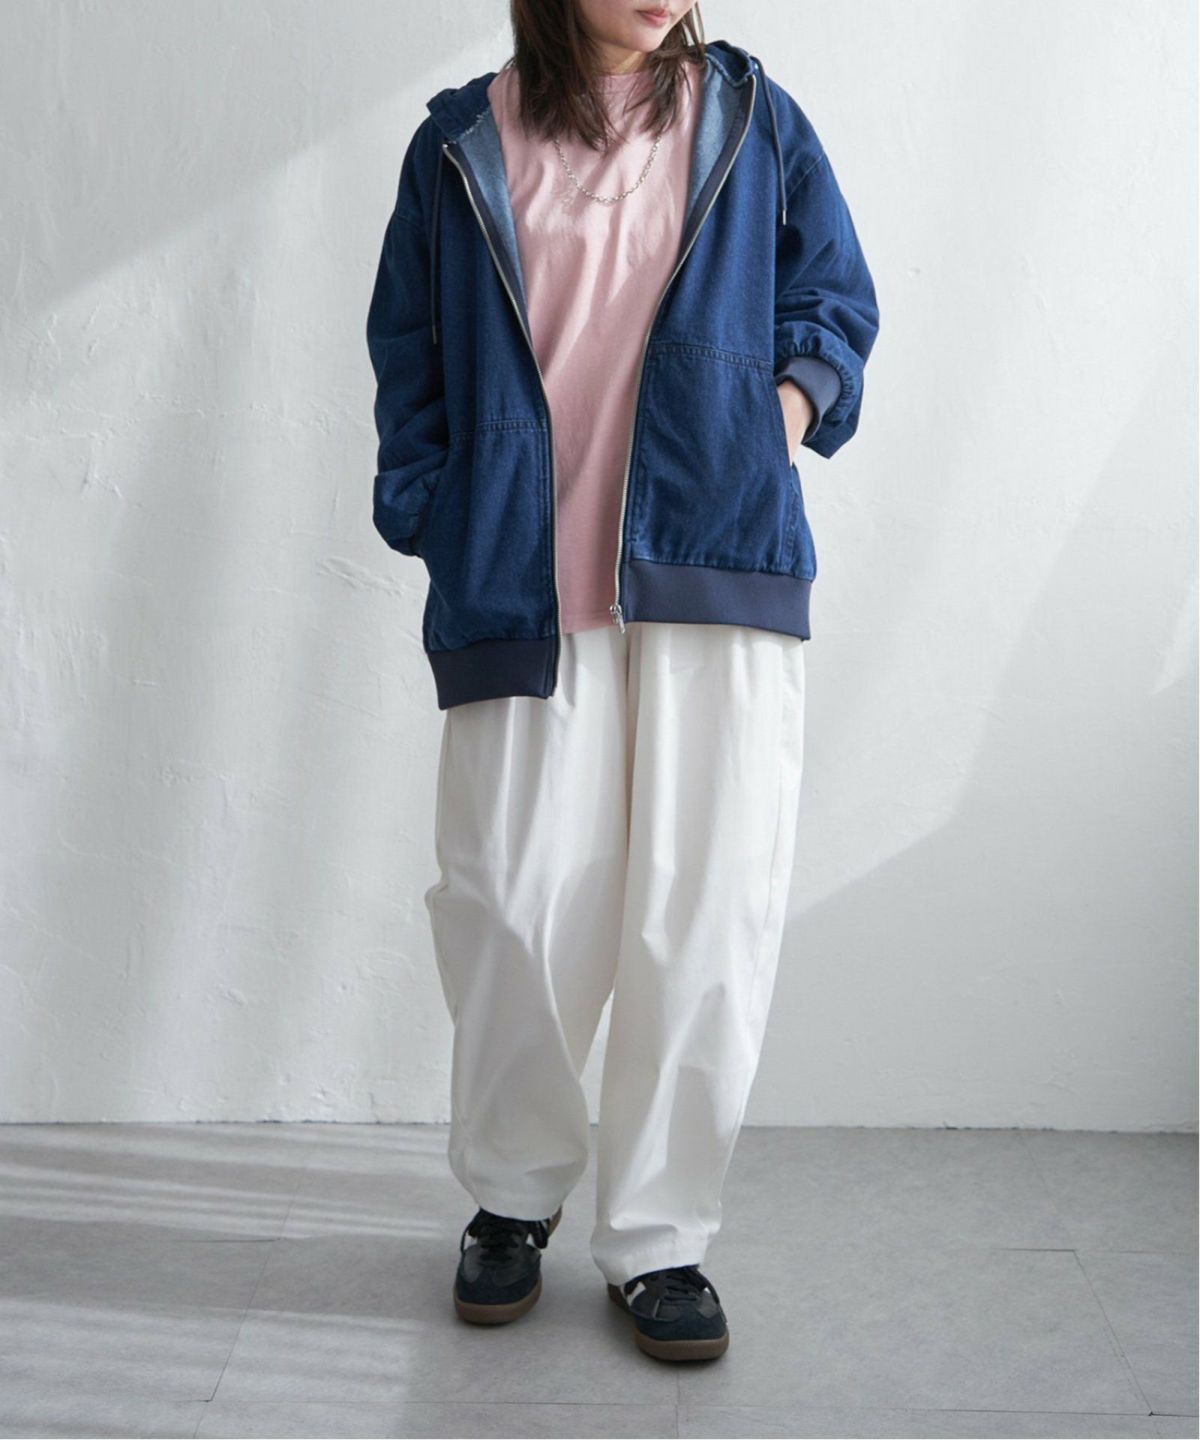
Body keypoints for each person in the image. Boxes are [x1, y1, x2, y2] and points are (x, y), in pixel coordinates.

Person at [365, 0, 879, 1362]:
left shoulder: (752, 120)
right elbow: (408, 353)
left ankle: (660, 1235)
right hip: (521, 580)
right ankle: (513, 1194)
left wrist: (776, 420)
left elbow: (834, 297)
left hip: (715, 561)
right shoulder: (462, 143)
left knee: (702, 910)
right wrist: (432, 505)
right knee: (507, 898)